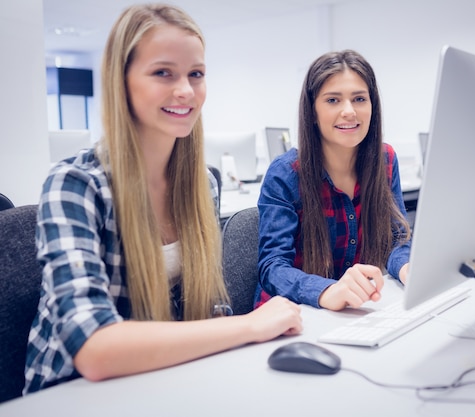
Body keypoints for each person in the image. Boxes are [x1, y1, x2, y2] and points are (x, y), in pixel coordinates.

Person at [24, 3, 302, 394]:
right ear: (121, 81)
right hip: (72, 394)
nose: (186, 90)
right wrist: (249, 326)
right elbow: (93, 348)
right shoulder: (74, 185)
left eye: (196, 74)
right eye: (163, 73)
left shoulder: (201, 183)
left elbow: (201, 311)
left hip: (162, 382)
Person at [255, 50, 411, 312]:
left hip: (353, 312)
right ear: (313, 111)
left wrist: (408, 269)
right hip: (292, 315)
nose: (349, 111)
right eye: (333, 100)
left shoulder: (385, 160)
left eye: (359, 99)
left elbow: (396, 239)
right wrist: (326, 290)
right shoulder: (286, 174)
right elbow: (273, 267)